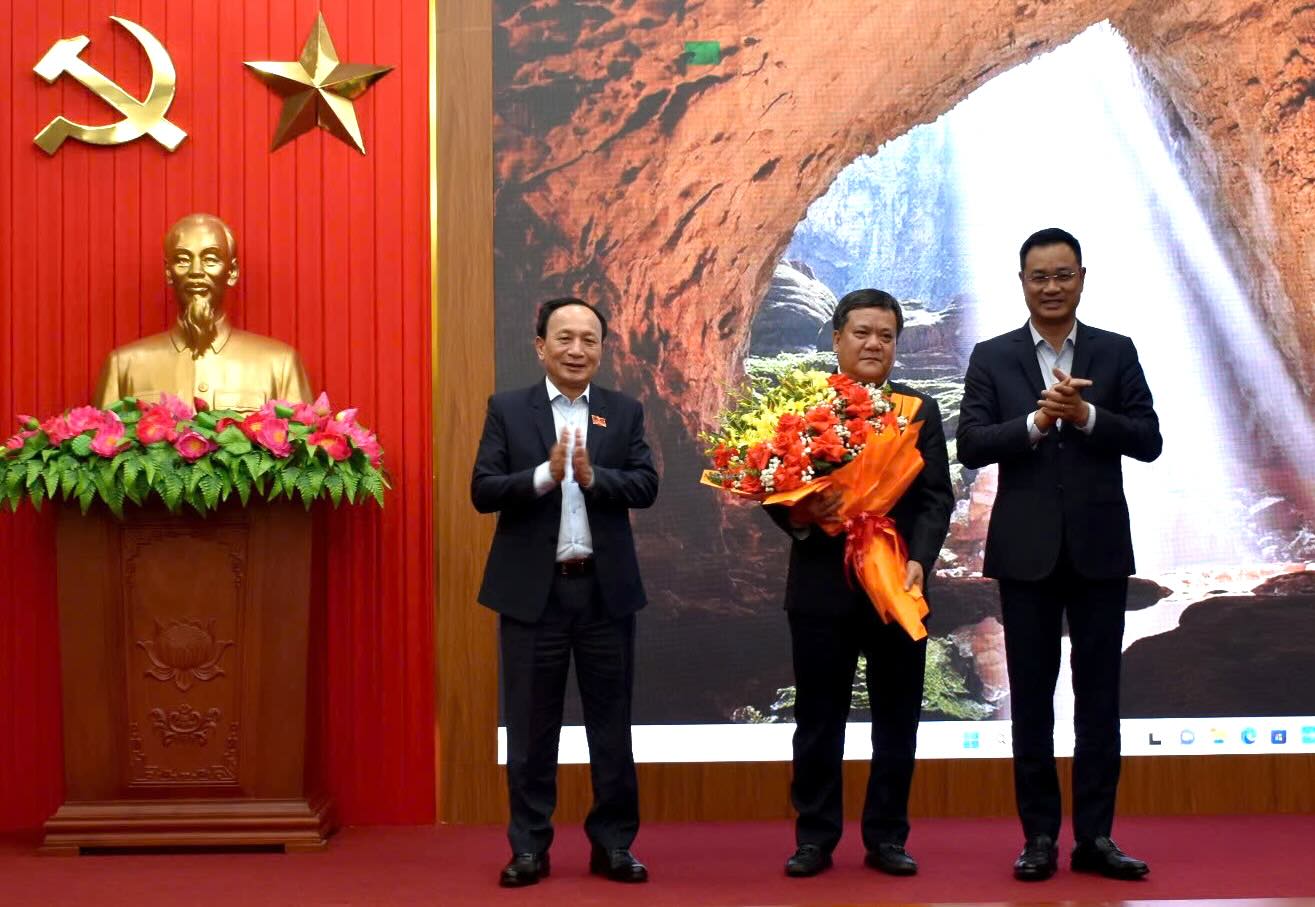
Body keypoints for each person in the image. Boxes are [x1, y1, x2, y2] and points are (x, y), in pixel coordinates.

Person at [956, 227, 1162, 881]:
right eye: (1039, 276)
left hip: (1099, 550)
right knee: (1032, 701)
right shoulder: (992, 356)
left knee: (1099, 699)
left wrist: (1085, 416)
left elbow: (1149, 439)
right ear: (1022, 283)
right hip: (1025, 553)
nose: (1051, 286)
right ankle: (1039, 838)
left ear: (1081, 278)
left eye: (1062, 274)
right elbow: (970, 443)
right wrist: (1036, 423)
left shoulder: (1115, 350)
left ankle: (1096, 838)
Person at [471, 297, 659, 888]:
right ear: (541, 346)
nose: (577, 350)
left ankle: (614, 846)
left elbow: (646, 484)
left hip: (604, 595)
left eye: (589, 340)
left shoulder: (623, 411)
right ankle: (529, 849)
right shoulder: (508, 409)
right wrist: (544, 475)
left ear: (602, 349)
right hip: (535, 596)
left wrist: (594, 478)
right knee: (531, 732)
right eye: (565, 338)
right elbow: (483, 490)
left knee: (612, 728)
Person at [773, 289, 953, 879]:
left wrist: (921, 558)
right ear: (837, 338)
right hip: (820, 586)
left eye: (886, 335)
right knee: (817, 720)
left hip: (896, 582)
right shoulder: (804, 406)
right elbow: (773, 488)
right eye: (862, 333)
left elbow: (935, 498)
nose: (874, 344)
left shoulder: (918, 409)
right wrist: (804, 515)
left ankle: (888, 837)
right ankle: (814, 838)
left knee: (897, 719)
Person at [93, 213, 310, 410]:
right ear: (168, 272)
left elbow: (302, 438)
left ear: (232, 272)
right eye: (183, 260)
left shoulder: (280, 365)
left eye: (210, 259)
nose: (196, 271)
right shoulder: (124, 366)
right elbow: (103, 437)